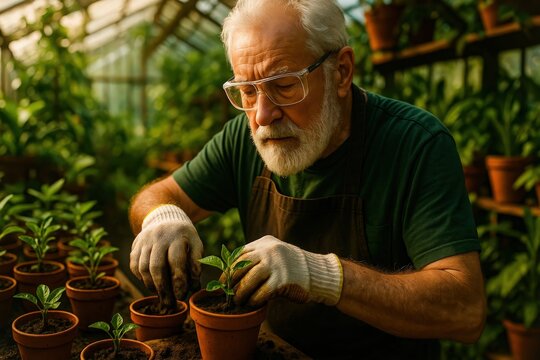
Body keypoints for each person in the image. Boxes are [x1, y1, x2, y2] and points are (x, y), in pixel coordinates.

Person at [129, 0, 486, 358]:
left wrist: (323, 275)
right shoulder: (242, 138)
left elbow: (464, 310)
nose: (263, 115)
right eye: (248, 91)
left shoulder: (414, 144)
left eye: (284, 85)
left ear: (342, 71)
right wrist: (162, 215)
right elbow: (160, 194)